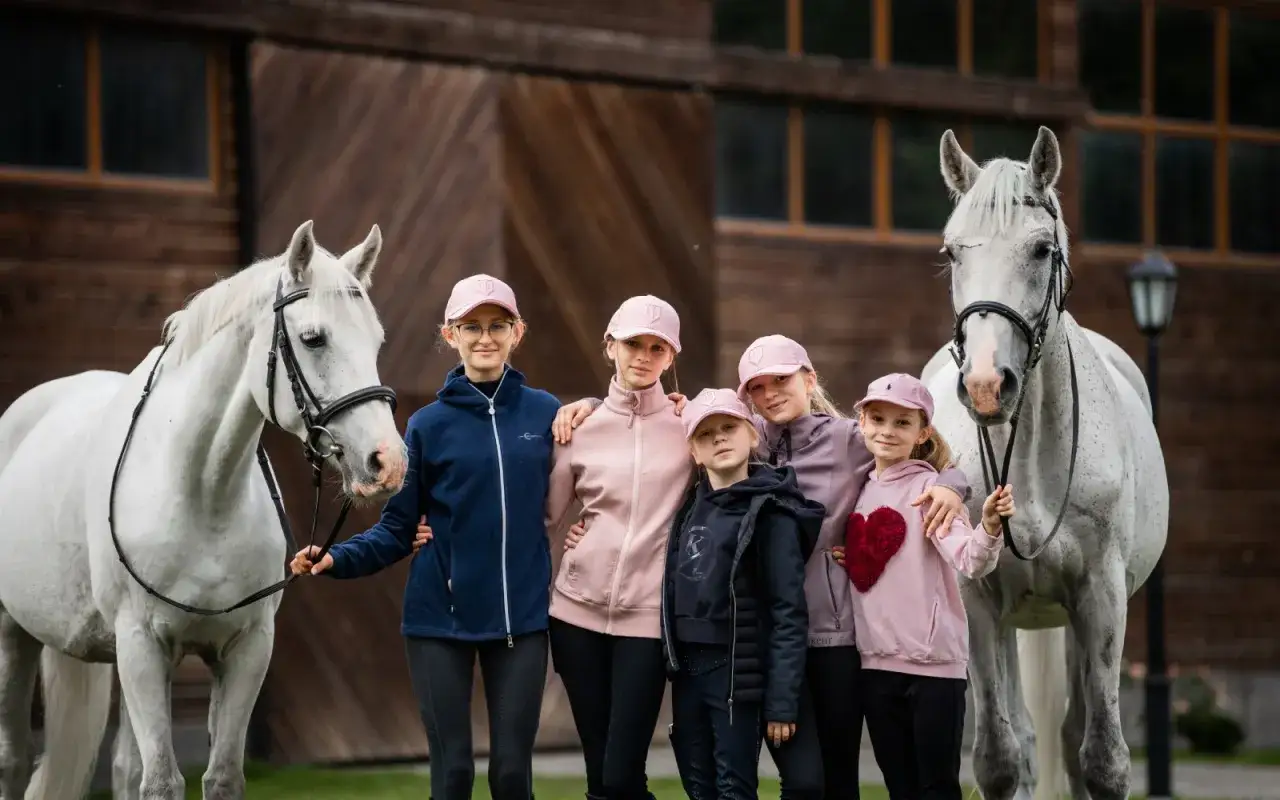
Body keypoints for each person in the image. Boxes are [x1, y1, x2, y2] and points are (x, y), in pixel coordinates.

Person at [553, 334, 971, 800]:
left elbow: (923, 452)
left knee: (834, 775)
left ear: (809, 379)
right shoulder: (742, 438)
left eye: (781, 380)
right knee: (749, 774)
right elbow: (663, 424)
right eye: (757, 386)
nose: (770, 392)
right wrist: (589, 404)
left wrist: (953, 486)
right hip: (759, 640)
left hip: (833, 634)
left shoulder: (851, 438)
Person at [290, 274, 561, 800]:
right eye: (471, 327)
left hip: (521, 620)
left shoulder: (547, 413)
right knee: (453, 776)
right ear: (450, 333)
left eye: (497, 326)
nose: (485, 337)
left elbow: (603, 461)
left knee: (511, 776)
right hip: (440, 622)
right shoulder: (426, 425)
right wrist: (333, 558)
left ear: (516, 332)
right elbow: (396, 529)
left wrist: (592, 408)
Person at [415, 294, 692, 800]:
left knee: (620, 774)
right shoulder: (576, 427)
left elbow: (738, 451)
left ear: (671, 357)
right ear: (610, 346)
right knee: (598, 772)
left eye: (658, 348)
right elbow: (539, 514)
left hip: (649, 616)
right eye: (633, 344)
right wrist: (436, 526)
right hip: (575, 615)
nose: (643, 356)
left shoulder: (690, 426)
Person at [845, 373, 1012, 800]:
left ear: (923, 434)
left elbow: (970, 561)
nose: (887, 431)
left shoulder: (932, 493)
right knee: (900, 789)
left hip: (933, 670)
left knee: (936, 789)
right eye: (878, 419)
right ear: (861, 422)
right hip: (874, 668)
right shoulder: (856, 491)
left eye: (902, 423)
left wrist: (990, 526)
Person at [663, 388, 824, 800]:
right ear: (694, 453)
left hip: (737, 671)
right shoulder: (686, 508)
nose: (719, 438)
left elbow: (788, 611)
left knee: (734, 787)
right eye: (706, 434)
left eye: (729, 427)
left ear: (753, 435)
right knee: (699, 787)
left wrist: (783, 700)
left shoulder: (771, 513)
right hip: (687, 671)